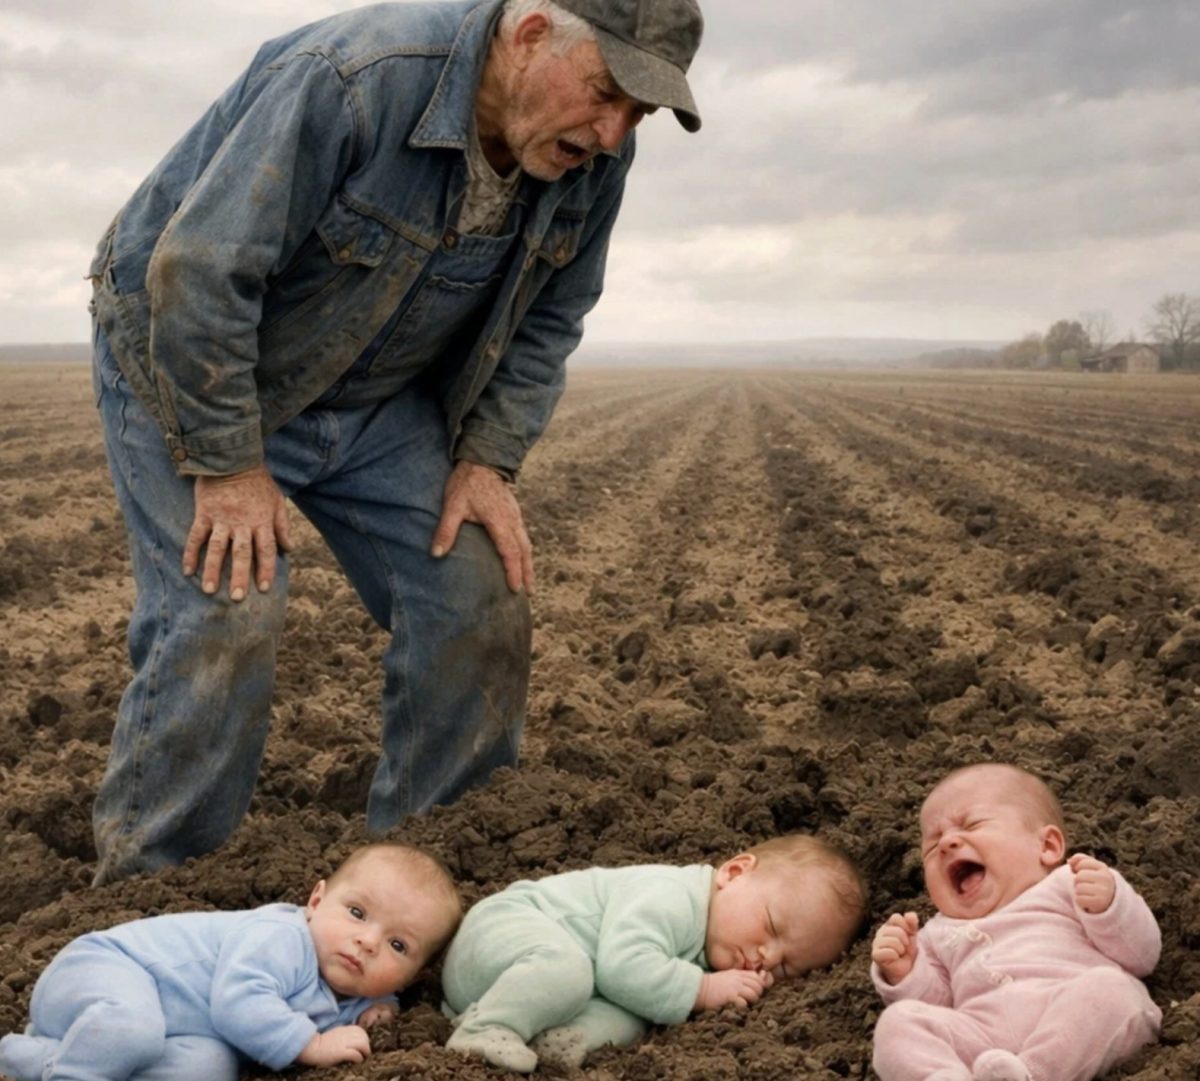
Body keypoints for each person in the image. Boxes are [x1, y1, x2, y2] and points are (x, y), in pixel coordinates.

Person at [85, 0, 705, 885]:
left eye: (637, 114)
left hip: (371, 395)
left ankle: (424, 872)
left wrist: (487, 459)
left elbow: (554, 316)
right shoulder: (354, 81)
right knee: (226, 601)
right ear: (530, 33)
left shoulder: (590, 158)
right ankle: (153, 891)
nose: (612, 133)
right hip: (193, 361)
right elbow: (202, 270)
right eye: (607, 92)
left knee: (474, 584)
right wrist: (226, 462)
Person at [0, 843, 462, 1080]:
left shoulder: (359, 984)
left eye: (397, 946)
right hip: (108, 969)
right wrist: (313, 1047)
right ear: (316, 900)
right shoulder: (282, 938)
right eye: (357, 913)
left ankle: (43, 1059)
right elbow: (240, 1003)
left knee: (209, 1069)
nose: (367, 941)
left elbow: (369, 1005)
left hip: (174, 1026)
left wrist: (384, 1010)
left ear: (415, 974)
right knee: (131, 1029)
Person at [440, 833, 867, 1072]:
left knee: (632, 1016)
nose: (765, 956)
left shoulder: (707, 936)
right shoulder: (673, 897)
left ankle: (542, 1038)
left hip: (515, 979)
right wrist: (700, 990)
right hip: (497, 934)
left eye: (788, 965)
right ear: (734, 872)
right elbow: (621, 965)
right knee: (572, 970)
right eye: (771, 926)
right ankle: (486, 1029)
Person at [870, 763, 1162, 1081]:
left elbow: (1142, 957)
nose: (946, 843)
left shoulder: (1071, 884)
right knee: (897, 1023)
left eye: (971, 824)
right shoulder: (936, 932)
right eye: (931, 845)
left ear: (1047, 847)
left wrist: (1109, 906)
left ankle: (1034, 1074)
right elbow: (938, 1005)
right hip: (982, 1040)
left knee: (1113, 989)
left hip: (1073, 1019)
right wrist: (905, 973)